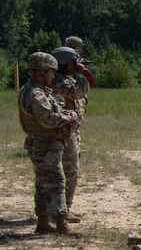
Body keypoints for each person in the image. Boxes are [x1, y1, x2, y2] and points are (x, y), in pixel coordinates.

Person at [17, 51, 79, 234]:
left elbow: (53, 112)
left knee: (42, 184)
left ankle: (43, 223)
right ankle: (61, 224)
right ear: (41, 72)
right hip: (44, 145)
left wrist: (67, 114)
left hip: (46, 145)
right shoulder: (34, 93)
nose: (54, 75)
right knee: (55, 181)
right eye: (51, 72)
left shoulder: (40, 92)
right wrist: (68, 120)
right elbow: (47, 119)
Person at [52, 41, 96, 221]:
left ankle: (64, 207)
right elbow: (76, 93)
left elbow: (82, 93)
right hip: (63, 132)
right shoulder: (57, 81)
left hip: (70, 130)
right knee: (69, 171)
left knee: (70, 171)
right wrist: (79, 73)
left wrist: (80, 74)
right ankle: (61, 210)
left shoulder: (64, 79)